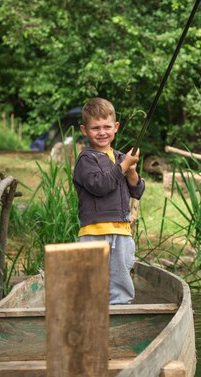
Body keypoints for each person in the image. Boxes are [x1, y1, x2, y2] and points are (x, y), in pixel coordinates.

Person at [72, 97, 145, 304]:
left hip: (121, 231)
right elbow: (100, 185)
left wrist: (131, 171)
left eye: (107, 126)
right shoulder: (86, 160)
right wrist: (123, 167)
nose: (102, 132)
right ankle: (90, 316)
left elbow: (137, 191)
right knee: (92, 281)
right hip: (94, 232)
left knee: (121, 280)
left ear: (116, 127)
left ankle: (120, 312)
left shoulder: (122, 157)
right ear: (84, 130)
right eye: (95, 128)